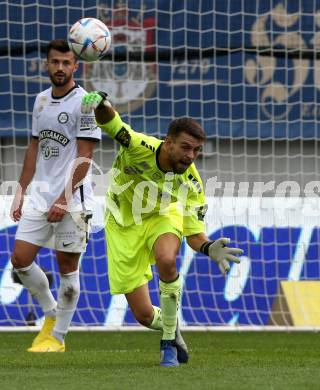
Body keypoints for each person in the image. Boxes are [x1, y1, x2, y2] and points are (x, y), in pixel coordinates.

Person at [81, 91, 243, 366]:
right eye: (186, 147)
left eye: (196, 150)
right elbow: (112, 124)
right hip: (122, 224)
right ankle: (171, 327)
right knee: (143, 315)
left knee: (167, 260)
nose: (191, 156)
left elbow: (193, 234)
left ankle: (167, 343)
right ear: (168, 143)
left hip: (162, 217)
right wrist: (102, 103)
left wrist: (207, 247)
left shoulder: (192, 183)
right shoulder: (138, 146)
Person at [10, 39, 101, 352]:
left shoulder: (86, 102)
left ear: (76, 66)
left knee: (67, 271)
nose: (60, 68)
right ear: (47, 65)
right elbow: (34, 146)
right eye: (55, 62)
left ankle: (58, 338)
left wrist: (64, 199)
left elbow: (85, 157)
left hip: (74, 200)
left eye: (66, 63)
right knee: (20, 260)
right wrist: (20, 190)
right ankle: (50, 313)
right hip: (39, 195)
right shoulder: (40, 100)